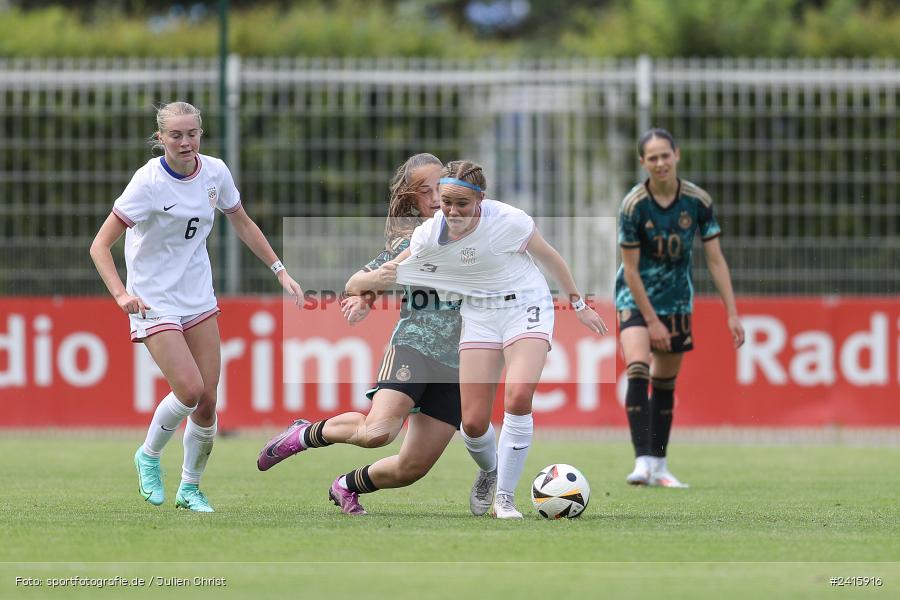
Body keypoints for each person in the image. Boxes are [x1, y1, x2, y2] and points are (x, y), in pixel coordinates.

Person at [89, 101, 302, 512]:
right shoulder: (147, 182)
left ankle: (190, 488)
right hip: (153, 299)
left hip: (198, 296)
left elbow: (241, 219)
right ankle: (148, 456)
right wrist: (121, 294)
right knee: (188, 390)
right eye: (176, 135)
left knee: (207, 401)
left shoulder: (216, 172)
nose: (185, 142)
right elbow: (100, 245)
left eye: (192, 134)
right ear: (160, 139)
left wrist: (279, 269)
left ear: (201, 134)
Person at [372, 160, 608, 519]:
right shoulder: (431, 232)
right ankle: (489, 470)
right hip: (480, 314)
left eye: (461, 203)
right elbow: (397, 267)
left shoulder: (509, 222)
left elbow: (551, 258)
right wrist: (361, 287)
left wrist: (577, 303)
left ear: (481, 199)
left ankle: (505, 498)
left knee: (517, 395)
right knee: (474, 423)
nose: (451, 210)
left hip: (525, 306)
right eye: (446, 201)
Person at [256, 153, 465, 516]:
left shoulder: (477, 233)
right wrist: (369, 291)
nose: (434, 198)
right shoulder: (415, 241)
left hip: (460, 362)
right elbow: (356, 280)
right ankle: (305, 434)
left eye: (439, 189)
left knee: (411, 469)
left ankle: (346, 485)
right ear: (410, 199)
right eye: (424, 191)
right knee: (377, 433)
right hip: (414, 346)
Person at [616, 128, 745, 488]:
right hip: (635, 296)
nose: (660, 163)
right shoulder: (633, 206)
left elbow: (715, 261)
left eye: (665, 155)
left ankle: (659, 465)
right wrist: (652, 321)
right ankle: (641, 461)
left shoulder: (697, 202)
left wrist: (731, 312)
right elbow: (630, 269)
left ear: (677, 155)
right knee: (638, 366)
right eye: (652, 158)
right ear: (643, 163)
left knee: (666, 382)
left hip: (676, 300)